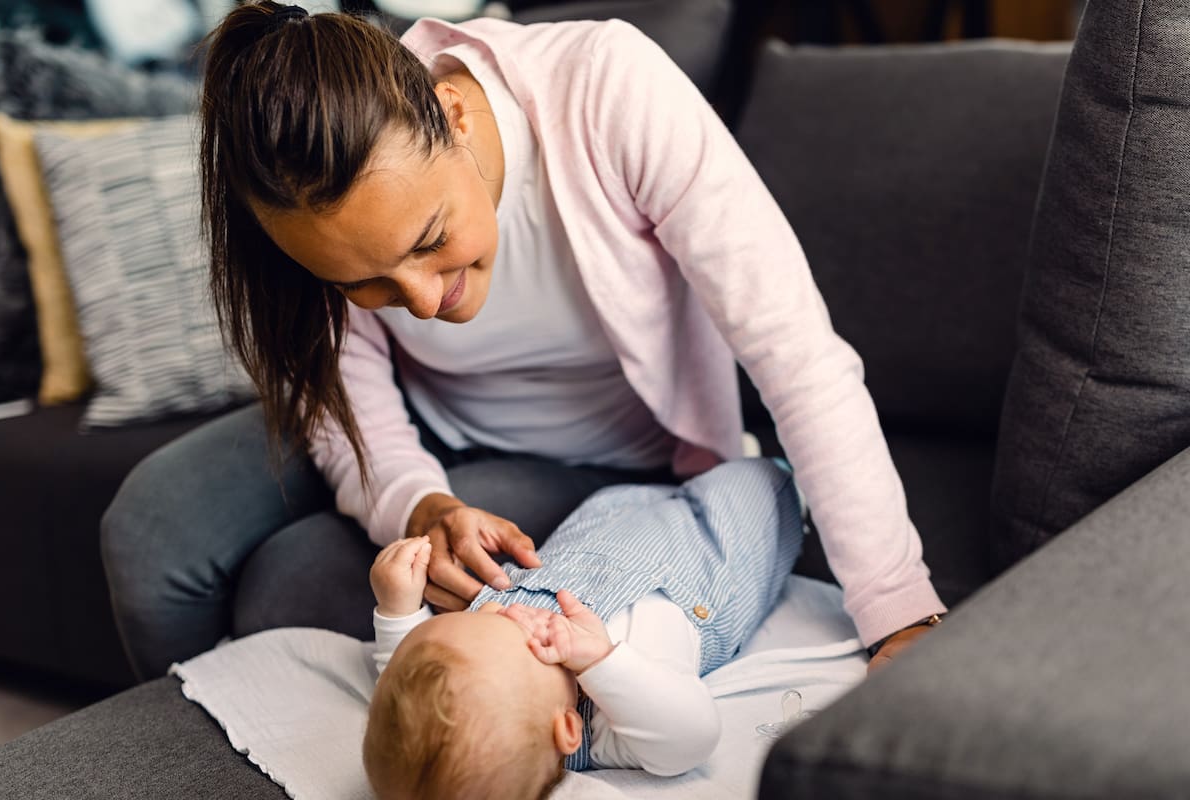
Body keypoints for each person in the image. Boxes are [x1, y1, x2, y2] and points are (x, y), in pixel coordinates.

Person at [101, 0, 945, 681]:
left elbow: (795, 354)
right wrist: (417, 503)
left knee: (291, 585)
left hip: (603, 456)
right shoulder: (306, 210)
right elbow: (342, 389)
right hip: (422, 431)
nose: (423, 303)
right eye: (366, 284)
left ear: (454, 113)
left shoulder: (609, 90)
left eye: (429, 240)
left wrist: (899, 612)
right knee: (151, 532)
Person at [364, 458, 804, 798]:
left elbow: (406, 680)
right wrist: (600, 661)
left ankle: (687, 469)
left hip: (608, 524)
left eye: (475, 617)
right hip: (712, 552)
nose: (497, 610)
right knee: (761, 484)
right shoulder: (606, 733)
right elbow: (691, 736)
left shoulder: (492, 655)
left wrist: (399, 611)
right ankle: (794, 491)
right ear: (567, 728)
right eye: (520, 635)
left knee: (653, 488)